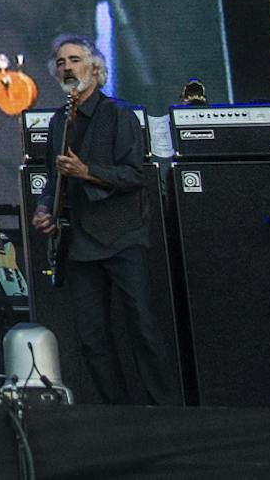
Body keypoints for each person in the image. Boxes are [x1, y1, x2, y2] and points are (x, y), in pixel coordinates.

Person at [28, 34, 175, 405]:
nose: (67, 68)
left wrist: (87, 171)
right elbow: (52, 181)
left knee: (141, 326)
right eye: (61, 63)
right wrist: (45, 209)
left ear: (94, 67)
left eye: (74, 60)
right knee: (91, 336)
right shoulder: (59, 121)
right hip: (79, 242)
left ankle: (164, 409)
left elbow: (134, 175)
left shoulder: (118, 115)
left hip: (122, 237)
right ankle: (116, 411)